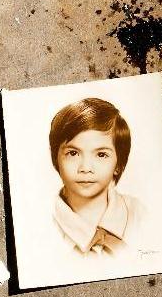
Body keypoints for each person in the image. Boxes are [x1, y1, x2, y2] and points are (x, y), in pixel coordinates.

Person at [47, 97, 147, 261]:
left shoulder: (141, 215)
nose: (86, 168)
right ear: (55, 158)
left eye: (101, 154)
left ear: (118, 164)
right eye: (73, 153)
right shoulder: (41, 222)